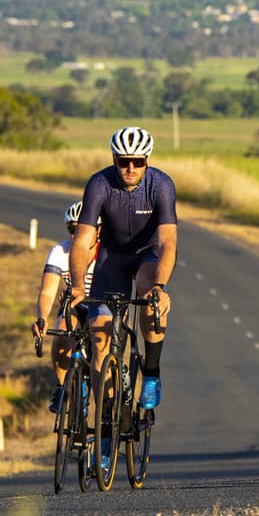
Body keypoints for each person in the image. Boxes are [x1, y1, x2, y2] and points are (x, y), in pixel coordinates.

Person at [70, 126, 178, 429]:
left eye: (138, 162)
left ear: (147, 160)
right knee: (100, 341)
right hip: (111, 259)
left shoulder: (161, 185)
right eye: (123, 161)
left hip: (147, 255)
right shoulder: (99, 184)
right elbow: (82, 240)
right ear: (114, 158)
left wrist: (160, 286)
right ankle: (107, 418)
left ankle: (152, 373)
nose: (130, 168)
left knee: (149, 295)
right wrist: (78, 284)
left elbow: (168, 241)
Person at [32, 199, 95, 417]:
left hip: (101, 305)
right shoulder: (60, 251)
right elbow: (48, 291)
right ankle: (61, 388)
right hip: (74, 306)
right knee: (61, 334)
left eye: (83, 229)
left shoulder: (107, 253)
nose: (76, 234)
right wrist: (42, 318)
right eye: (71, 229)